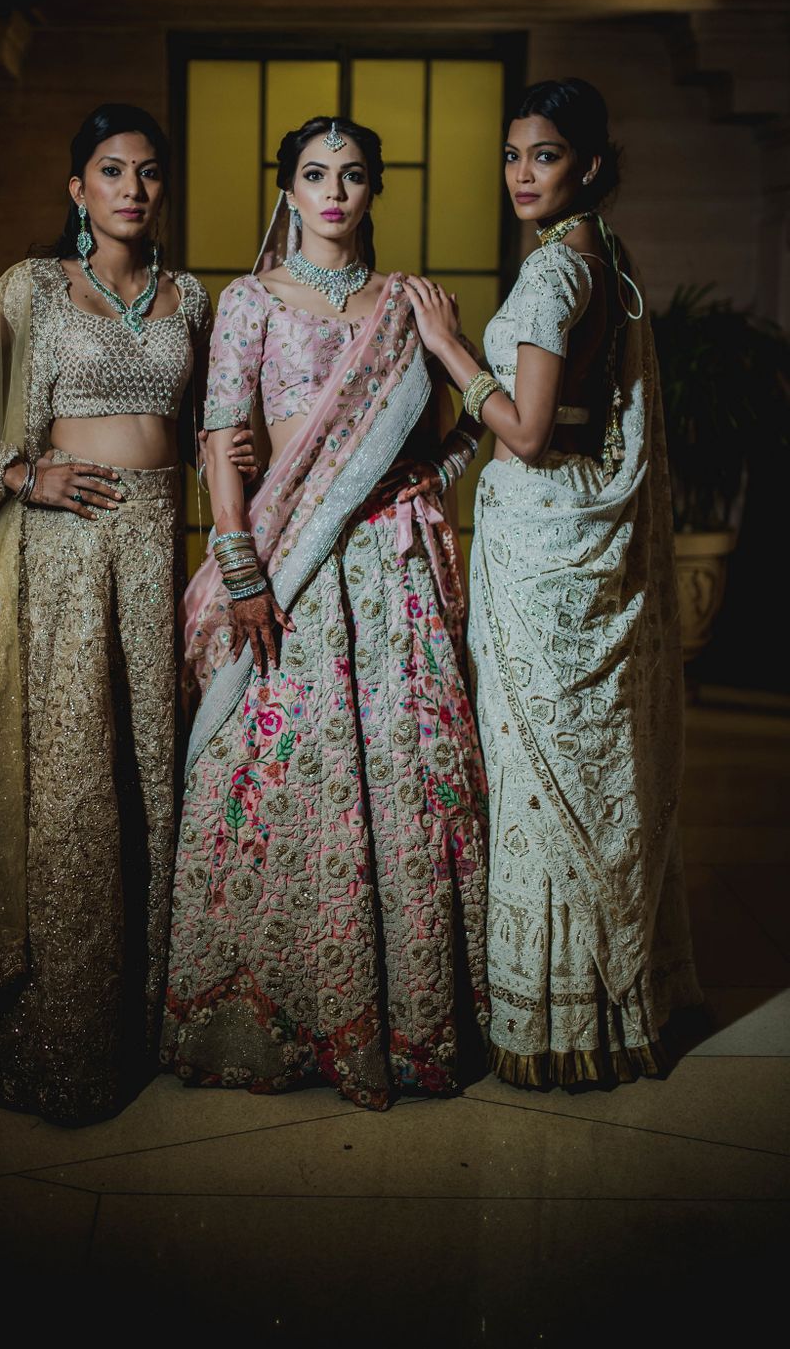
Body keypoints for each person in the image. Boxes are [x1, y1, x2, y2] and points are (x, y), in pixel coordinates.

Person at [0, 103, 256, 1125]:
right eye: (111, 170)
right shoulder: (34, 287)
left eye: (149, 172)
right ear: (77, 189)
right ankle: (58, 1030)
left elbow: (206, 420)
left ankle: (136, 1012)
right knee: (71, 784)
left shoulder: (190, 297)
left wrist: (238, 459)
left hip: (153, 556)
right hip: (62, 561)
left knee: (142, 769)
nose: (132, 188)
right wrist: (20, 470)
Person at [161, 116, 489, 1111]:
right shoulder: (250, 300)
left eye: (352, 175)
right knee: (272, 763)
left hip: (392, 567)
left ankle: (410, 1015)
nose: (334, 191)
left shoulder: (411, 303)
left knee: (407, 771)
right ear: (288, 191)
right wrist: (241, 567)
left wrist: (427, 471)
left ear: (374, 189)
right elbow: (223, 440)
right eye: (315, 175)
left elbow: (475, 422)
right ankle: (270, 1007)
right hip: (286, 566)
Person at [404, 77, 702, 1087]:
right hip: (581, 540)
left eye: (542, 155)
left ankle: (556, 1029)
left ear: (586, 166)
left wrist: (447, 346)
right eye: (510, 155)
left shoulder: (550, 278)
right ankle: (614, 1009)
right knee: (580, 764)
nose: (521, 174)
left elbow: (526, 435)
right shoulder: (604, 260)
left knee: (538, 774)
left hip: (543, 545)